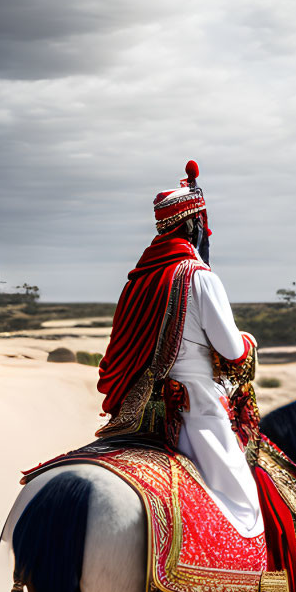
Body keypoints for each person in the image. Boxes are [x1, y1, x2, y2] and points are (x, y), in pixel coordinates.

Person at [97, 161, 263, 538]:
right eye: (203, 226)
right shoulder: (199, 277)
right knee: (246, 506)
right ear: (192, 226)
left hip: (137, 410)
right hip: (195, 409)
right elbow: (232, 351)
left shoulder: (138, 279)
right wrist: (248, 341)